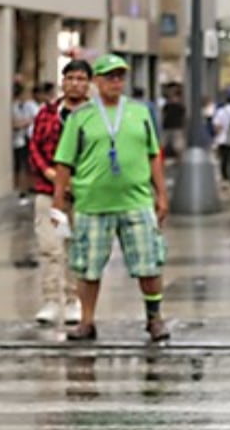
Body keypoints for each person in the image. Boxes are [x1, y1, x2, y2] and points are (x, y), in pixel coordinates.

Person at [52, 54, 170, 342]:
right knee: (88, 267)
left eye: (120, 76)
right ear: (97, 82)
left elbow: (153, 155)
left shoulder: (140, 113)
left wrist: (162, 194)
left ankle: (154, 318)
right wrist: (58, 204)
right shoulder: (81, 117)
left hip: (136, 201)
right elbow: (64, 162)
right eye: (109, 76)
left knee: (149, 263)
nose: (116, 82)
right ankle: (87, 321)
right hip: (93, 203)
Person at [27, 60, 92, 325]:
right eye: (70, 78)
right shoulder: (47, 113)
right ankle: (51, 300)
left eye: (81, 79)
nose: (75, 83)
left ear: (88, 84)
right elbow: (34, 148)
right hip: (47, 190)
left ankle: (74, 299)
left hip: (83, 193)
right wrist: (50, 174)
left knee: (78, 248)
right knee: (50, 247)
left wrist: (78, 181)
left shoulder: (95, 115)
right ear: (63, 82)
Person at [12, 83, 40, 199]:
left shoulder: (21, 106)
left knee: (24, 165)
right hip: (17, 140)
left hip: (22, 140)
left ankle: (23, 188)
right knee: (18, 166)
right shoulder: (13, 106)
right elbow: (15, 124)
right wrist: (27, 121)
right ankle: (18, 189)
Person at [161, 85, 186, 159]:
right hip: (172, 128)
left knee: (177, 146)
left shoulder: (172, 106)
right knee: (174, 146)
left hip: (173, 128)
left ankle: (179, 160)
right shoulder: (176, 106)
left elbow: (163, 116)